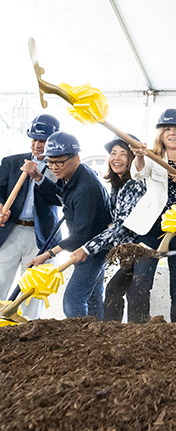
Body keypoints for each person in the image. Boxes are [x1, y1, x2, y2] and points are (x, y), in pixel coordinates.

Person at [124, 109, 176, 323]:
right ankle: (136, 332)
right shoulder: (150, 156)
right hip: (151, 228)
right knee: (140, 283)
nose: (172, 133)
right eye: (167, 129)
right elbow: (137, 174)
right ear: (160, 134)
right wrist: (140, 156)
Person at [26, 131, 111, 318]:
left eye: (59, 162)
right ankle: (96, 340)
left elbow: (80, 235)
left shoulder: (86, 188)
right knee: (93, 298)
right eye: (50, 161)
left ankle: (80, 343)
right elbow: (63, 197)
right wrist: (39, 177)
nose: (54, 167)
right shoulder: (73, 176)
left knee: (73, 300)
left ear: (77, 158)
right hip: (88, 245)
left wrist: (46, 256)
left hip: (92, 249)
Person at [67, 135, 146, 322]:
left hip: (142, 248)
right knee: (112, 292)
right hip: (127, 250)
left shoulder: (134, 184)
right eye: (113, 153)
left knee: (116, 291)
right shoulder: (117, 184)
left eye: (123, 154)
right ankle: (110, 336)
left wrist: (86, 248)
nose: (116, 158)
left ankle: (116, 336)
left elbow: (122, 225)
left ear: (133, 159)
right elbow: (116, 221)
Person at [0, 114, 61, 319]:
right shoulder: (11, 162)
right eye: (34, 139)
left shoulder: (59, 166)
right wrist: (0, 206)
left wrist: (39, 177)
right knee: (1, 278)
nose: (37, 144)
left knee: (32, 287)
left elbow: (59, 199)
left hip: (42, 235)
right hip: (11, 230)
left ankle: (28, 326)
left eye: (42, 141)